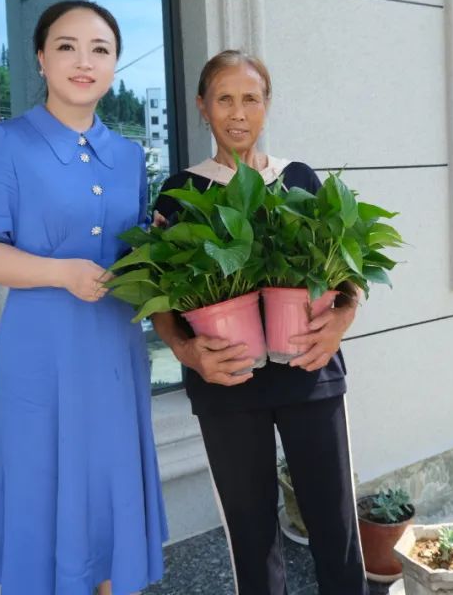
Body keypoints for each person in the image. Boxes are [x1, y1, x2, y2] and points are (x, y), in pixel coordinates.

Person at [0, 0, 167, 595]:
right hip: (40, 354)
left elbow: (137, 248)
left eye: (100, 49)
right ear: (40, 58)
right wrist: (59, 272)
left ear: (115, 64)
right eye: (66, 46)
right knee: (43, 485)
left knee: (108, 488)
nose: (83, 61)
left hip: (115, 351)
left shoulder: (126, 156)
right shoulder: (4, 143)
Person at [151, 50, 368, 595]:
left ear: (267, 106)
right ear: (203, 107)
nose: (238, 112)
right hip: (227, 382)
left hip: (309, 369)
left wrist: (341, 320)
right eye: (224, 98)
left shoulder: (298, 179)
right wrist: (185, 350)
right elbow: (158, 295)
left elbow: (349, 273)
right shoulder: (180, 192)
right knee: (252, 538)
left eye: (251, 98)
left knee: (335, 526)